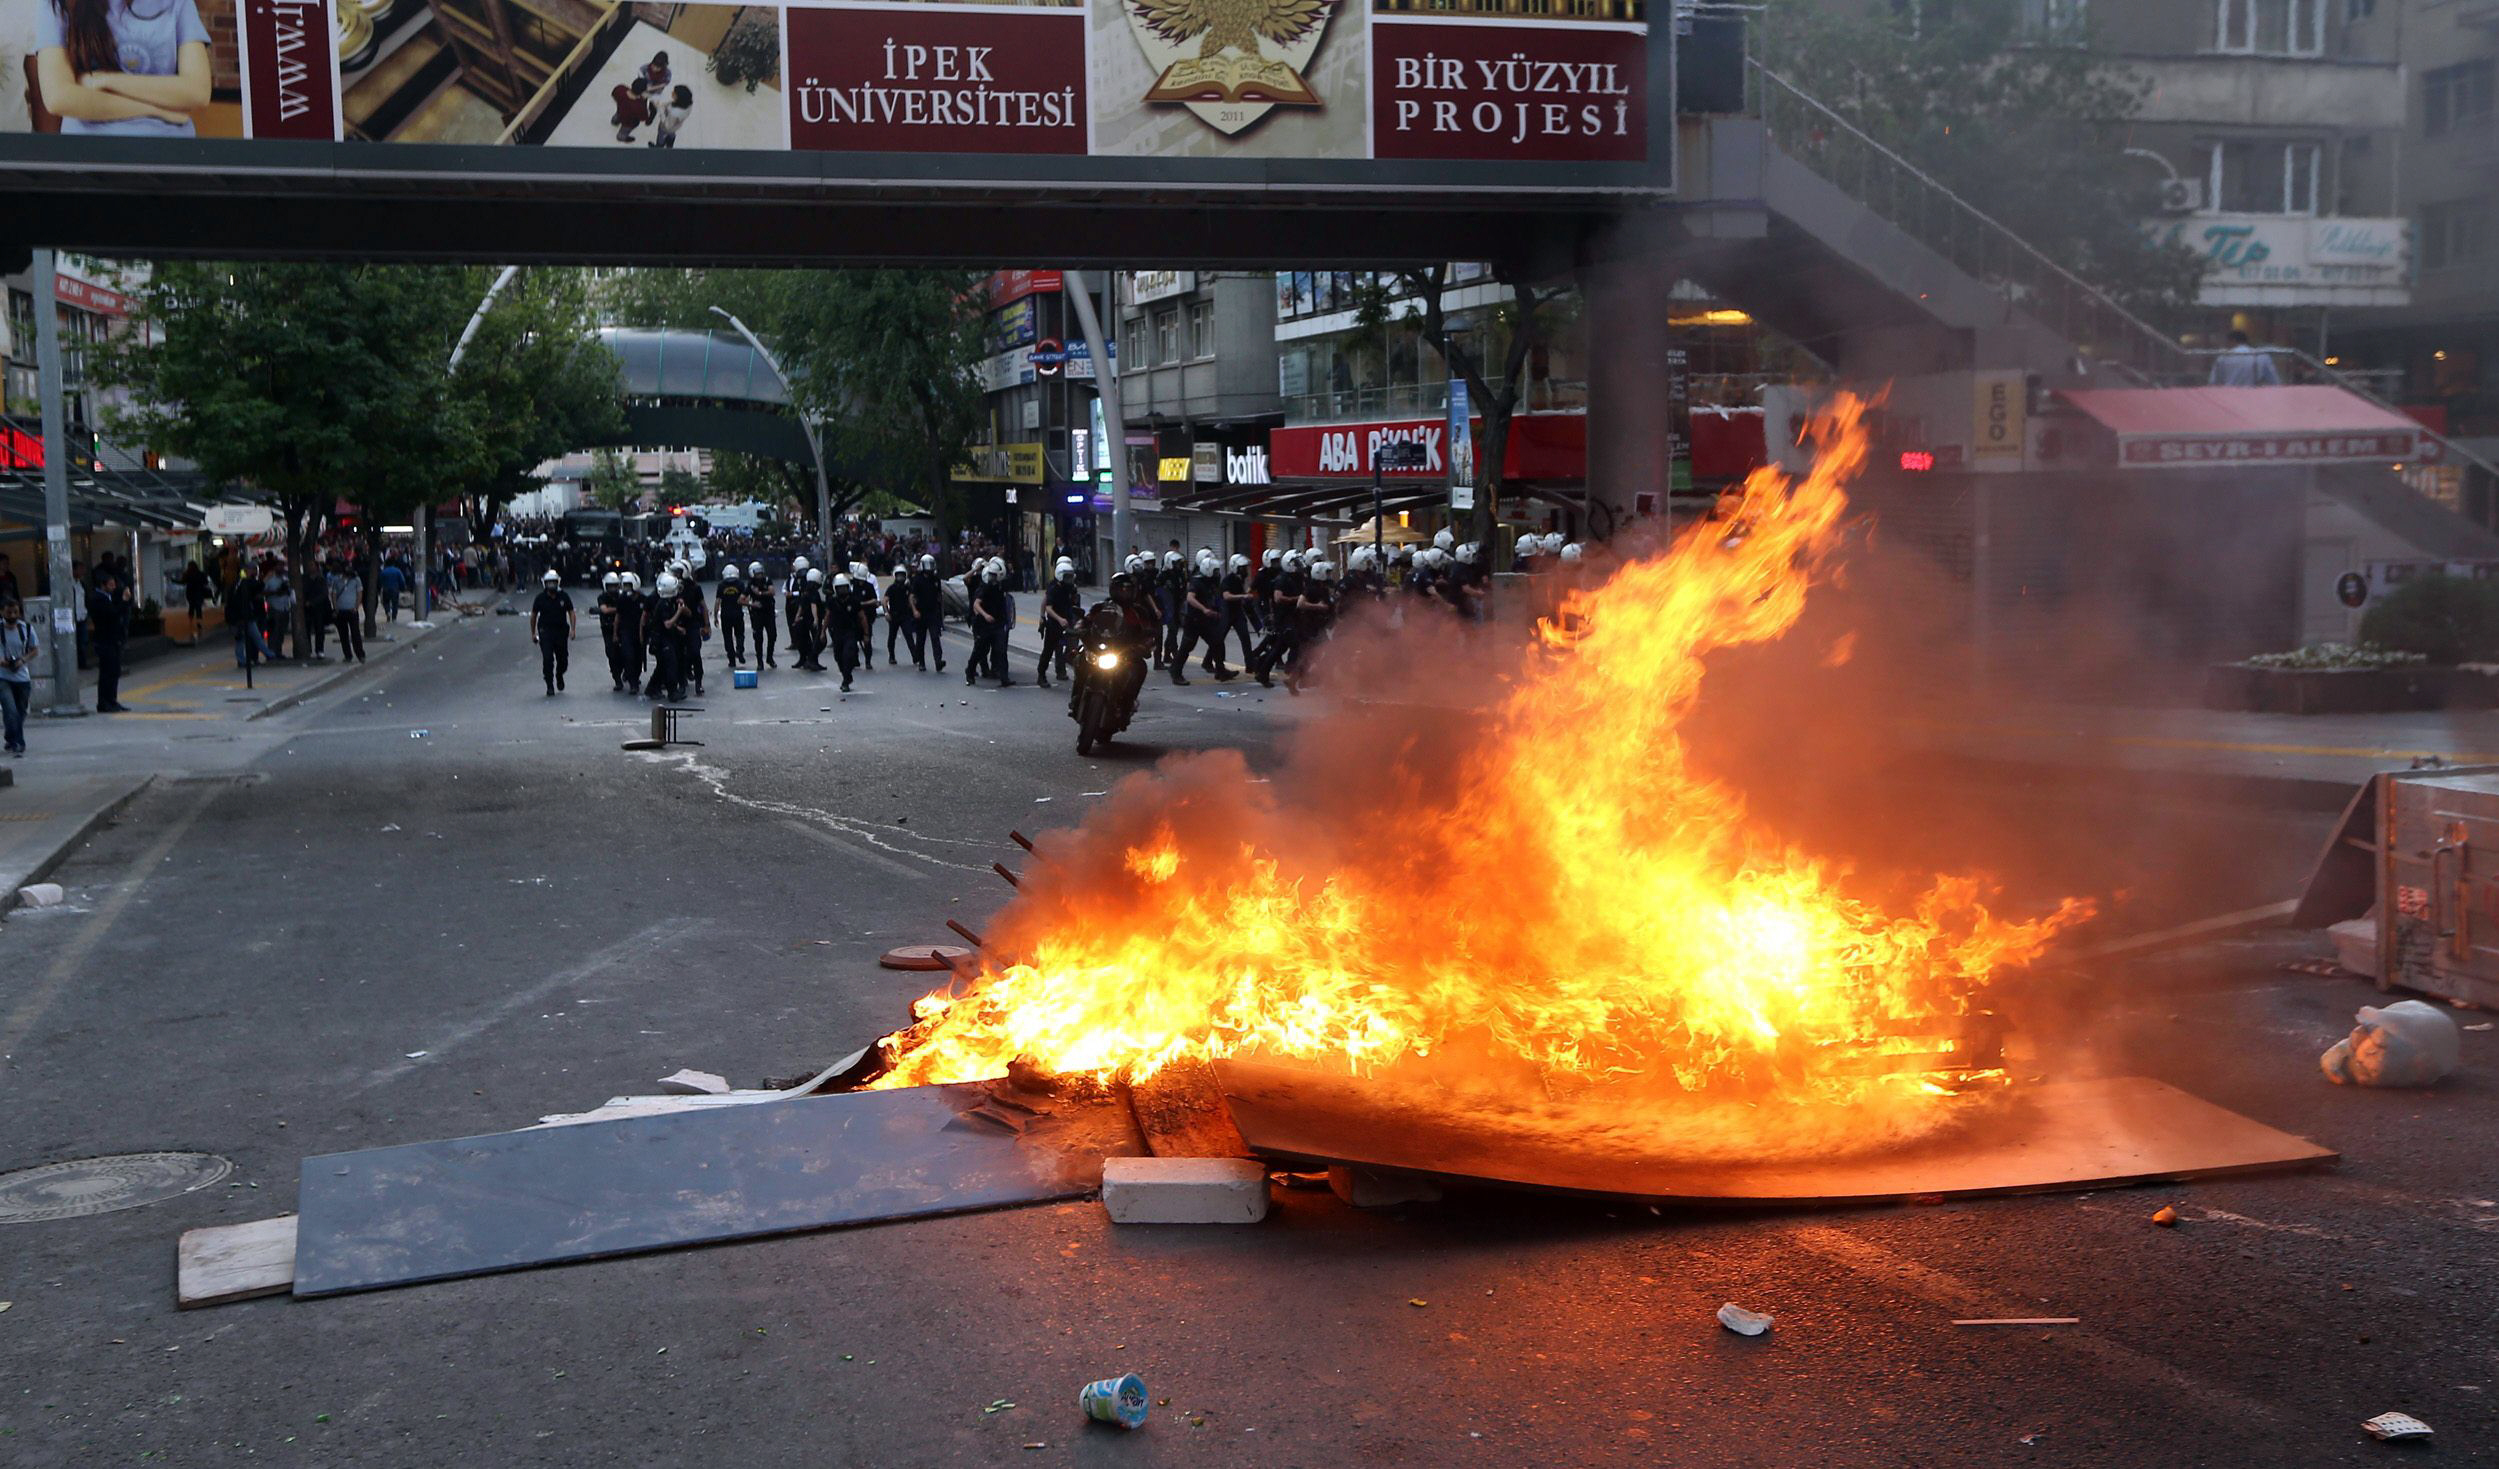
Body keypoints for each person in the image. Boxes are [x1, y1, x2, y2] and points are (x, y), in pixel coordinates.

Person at [33, 0, 213, 136]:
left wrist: (104, 80)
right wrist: (155, 110)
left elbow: (198, 91)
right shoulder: (59, 5)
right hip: (88, 156)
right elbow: (59, 97)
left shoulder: (178, 3)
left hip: (169, 153)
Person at [86, 563, 130, 712]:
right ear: (103, 585)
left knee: (114, 671)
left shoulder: (108, 597)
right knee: (107, 672)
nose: (113, 587)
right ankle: (104, 702)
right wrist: (123, 601)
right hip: (105, 640)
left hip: (113, 638)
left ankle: (112, 700)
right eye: (111, 584)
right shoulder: (98, 599)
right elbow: (112, 614)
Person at [530, 569, 575, 695]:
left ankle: (559, 674)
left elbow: (571, 612)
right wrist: (533, 633)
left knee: (563, 660)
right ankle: (549, 684)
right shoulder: (540, 598)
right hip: (545, 632)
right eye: (549, 583)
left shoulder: (564, 596)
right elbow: (533, 615)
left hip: (561, 631)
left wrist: (573, 629)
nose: (551, 586)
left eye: (553, 583)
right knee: (547, 658)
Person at [1037, 558, 1080, 688]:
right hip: (1055, 625)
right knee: (1049, 650)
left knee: (1073, 649)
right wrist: (1056, 618)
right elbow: (1048, 606)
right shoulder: (1054, 588)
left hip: (1068, 622)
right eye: (1067, 577)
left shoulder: (1071, 588)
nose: (1069, 579)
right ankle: (1041, 675)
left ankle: (1078, 674)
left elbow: (1073, 603)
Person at [972, 560, 1012, 688]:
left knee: (1001, 650)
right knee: (981, 650)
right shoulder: (984, 587)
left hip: (998, 624)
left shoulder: (1000, 587)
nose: (993, 578)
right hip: (985, 625)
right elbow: (976, 604)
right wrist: (985, 615)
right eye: (991, 575)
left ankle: (1004, 678)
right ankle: (970, 671)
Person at [0, 599, 32, 756]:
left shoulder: (25, 628)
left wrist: (22, 660)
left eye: (15, 612)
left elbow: (34, 649)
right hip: (3, 677)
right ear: (2, 612)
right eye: (8, 612)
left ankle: (10, 735)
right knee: (10, 710)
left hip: (22, 677)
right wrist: (4, 663)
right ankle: (18, 742)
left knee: (20, 711)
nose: (12, 616)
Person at [224, 566, 267, 669]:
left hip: (241, 617)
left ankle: (243, 660)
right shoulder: (244, 584)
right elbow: (258, 587)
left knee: (242, 640)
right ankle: (269, 655)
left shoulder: (236, 585)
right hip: (244, 617)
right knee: (255, 638)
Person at [828, 571, 864, 691]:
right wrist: (822, 631)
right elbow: (827, 616)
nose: (842, 591)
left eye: (844, 588)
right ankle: (847, 676)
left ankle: (845, 682)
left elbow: (862, 617)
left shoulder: (854, 601)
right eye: (840, 588)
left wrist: (866, 634)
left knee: (847, 655)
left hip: (850, 632)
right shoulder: (832, 602)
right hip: (837, 632)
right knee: (838, 657)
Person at [910, 554, 946, 673]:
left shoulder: (935, 579)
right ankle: (921, 662)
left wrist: (941, 611)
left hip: (933, 612)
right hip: (921, 613)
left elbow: (939, 595)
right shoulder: (917, 579)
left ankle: (938, 661)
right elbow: (912, 596)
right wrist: (915, 610)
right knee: (921, 639)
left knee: (935, 637)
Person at [1221, 552, 1257, 667]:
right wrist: (1243, 596)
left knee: (1245, 637)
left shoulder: (1239, 580)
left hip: (1237, 613)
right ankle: (1210, 662)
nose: (1245, 570)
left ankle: (1250, 664)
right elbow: (1226, 596)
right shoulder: (1228, 579)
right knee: (1219, 639)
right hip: (1227, 613)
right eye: (1242, 568)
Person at [2210, 329, 2283, 387]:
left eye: (2227, 342)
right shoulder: (2261, 356)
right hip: (2251, 397)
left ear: (2232, 341)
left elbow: (2214, 383)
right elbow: (2275, 382)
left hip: (2229, 396)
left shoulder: (2223, 357)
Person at [789, 566, 827, 672]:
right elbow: (813, 605)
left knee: (807, 640)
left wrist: (797, 617)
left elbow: (801, 606)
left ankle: (807, 660)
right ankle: (812, 660)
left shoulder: (805, 590)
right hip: (812, 620)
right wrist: (816, 619)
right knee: (820, 641)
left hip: (804, 619)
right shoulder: (814, 592)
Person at [328, 558, 366, 664]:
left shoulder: (356, 580)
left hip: (352, 611)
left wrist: (356, 606)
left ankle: (360, 654)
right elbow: (334, 595)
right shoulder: (337, 581)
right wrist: (335, 607)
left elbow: (359, 594)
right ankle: (347, 655)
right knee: (343, 635)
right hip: (341, 611)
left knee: (355, 633)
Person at [744, 561, 777, 669]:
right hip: (757, 615)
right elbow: (740, 600)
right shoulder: (750, 585)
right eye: (757, 573)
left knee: (772, 635)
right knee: (758, 638)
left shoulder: (767, 580)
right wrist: (751, 604)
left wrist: (760, 593)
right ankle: (759, 661)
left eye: (761, 573)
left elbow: (772, 592)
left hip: (769, 612)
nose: (760, 575)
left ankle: (770, 657)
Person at [884, 563, 916, 669]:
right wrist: (886, 612)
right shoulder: (891, 588)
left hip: (905, 615)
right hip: (894, 616)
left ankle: (915, 656)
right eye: (898, 575)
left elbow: (912, 598)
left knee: (909, 635)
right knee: (892, 637)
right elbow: (885, 601)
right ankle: (891, 656)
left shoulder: (908, 588)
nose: (900, 578)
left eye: (902, 575)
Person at [716, 562, 745, 668]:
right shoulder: (740, 584)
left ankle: (731, 659)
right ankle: (740, 650)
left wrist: (715, 616)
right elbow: (744, 598)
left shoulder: (721, 585)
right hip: (738, 613)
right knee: (740, 634)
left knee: (727, 637)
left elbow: (717, 601)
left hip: (725, 615)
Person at [650, 83, 692, 149]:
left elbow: (667, 125)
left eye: (674, 93)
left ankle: (659, 147)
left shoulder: (674, 113)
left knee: (661, 137)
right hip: (676, 126)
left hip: (666, 128)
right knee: (671, 135)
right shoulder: (687, 105)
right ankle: (670, 145)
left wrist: (660, 110)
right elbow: (671, 104)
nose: (672, 92)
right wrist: (662, 105)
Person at [612, 75, 654, 142]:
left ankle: (614, 122)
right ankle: (621, 137)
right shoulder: (639, 105)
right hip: (629, 122)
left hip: (620, 111)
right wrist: (644, 100)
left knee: (617, 116)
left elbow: (613, 94)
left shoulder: (620, 88)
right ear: (643, 91)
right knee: (624, 130)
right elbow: (643, 117)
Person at [181, 559, 209, 642]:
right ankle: (199, 623)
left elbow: (182, 582)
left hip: (190, 593)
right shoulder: (200, 574)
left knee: (191, 607)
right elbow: (205, 582)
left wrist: (174, 580)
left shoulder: (187, 574)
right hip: (199, 593)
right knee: (198, 608)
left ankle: (191, 622)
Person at [379, 557, 408, 622]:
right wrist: (403, 588)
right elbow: (402, 580)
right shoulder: (397, 571)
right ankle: (394, 617)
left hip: (386, 589)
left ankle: (388, 612)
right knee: (395, 603)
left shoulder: (384, 571)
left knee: (386, 602)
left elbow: (380, 580)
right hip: (395, 589)